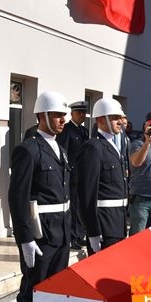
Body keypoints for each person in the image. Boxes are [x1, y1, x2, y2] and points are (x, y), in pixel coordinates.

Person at [7, 91, 71, 302]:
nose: (63, 120)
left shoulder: (60, 150)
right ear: (42, 116)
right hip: (40, 233)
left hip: (61, 233)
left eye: (64, 115)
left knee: (56, 290)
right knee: (34, 291)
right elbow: (17, 197)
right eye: (57, 115)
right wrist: (25, 239)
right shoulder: (28, 149)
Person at [77, 98, 129, 254]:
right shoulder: (93, 147)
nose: (120, 121)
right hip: (104, 225)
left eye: (121, 118)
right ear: (100, 119)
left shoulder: (114, 145)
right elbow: (87, 193)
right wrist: (93, 231)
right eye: (115, 117)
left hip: (118, 223)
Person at [57, 100, 90, 251]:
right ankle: (72, 237)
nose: (82, 115)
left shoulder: (84, 131)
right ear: (72, 114)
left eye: (84, 112)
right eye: (79, 112)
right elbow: (63, 151)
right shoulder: (67, 130)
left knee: (81, 205)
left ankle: (79, 234)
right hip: (72, 175)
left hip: (83, 174)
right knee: (73, 206)